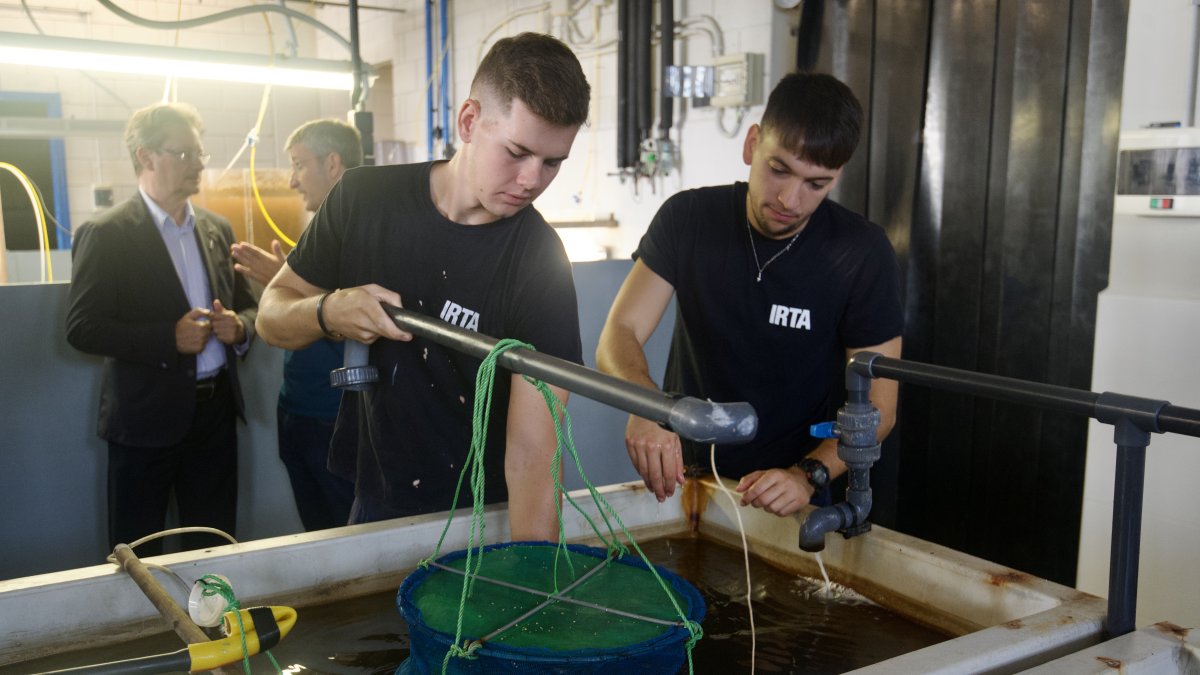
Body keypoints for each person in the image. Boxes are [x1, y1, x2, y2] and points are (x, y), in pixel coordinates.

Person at [255, 32, 590, 541]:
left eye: (552, 163)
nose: (530, 180)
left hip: (483, 515)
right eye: (518, 152)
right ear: (470, 121)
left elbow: (533, 453)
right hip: (375, 499)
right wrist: (328, 311)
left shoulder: (540, 262)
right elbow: (272, 314)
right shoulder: (364, 199)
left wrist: (532, 580)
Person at [595, 72, 903, 517]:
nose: (790, 200)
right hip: (692, 485)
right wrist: (648, 407)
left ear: (835, 179)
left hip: (793, 497)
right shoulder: (689, 219)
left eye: (815, 184)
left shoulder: (861, 254)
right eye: (779, 170)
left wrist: (807, 475)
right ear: (752, 143)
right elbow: (619, 332)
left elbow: (879, 409)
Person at [66, 102, 258, 555]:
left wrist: (241, 328)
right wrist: (166, 339)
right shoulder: (107, 233)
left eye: (200, 155)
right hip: (144, 420)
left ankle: (211, 628)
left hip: (214, 417)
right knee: (138, 551)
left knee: (213, 543)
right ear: (145, 156)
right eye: (185, 155)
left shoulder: (216, 228)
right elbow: (81, 326)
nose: (199, 166)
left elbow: (248, 308)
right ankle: (146, 629)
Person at [230, 119, 361, 531]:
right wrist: (285, 284)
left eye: (299, 165)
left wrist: (285, 289)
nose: (292, 181)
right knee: (318, 535)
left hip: (335, 416)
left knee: (345, 538)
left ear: (333, 164)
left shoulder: (364, 231)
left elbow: (355, 318)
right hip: (299, 411)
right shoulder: (319, 233)